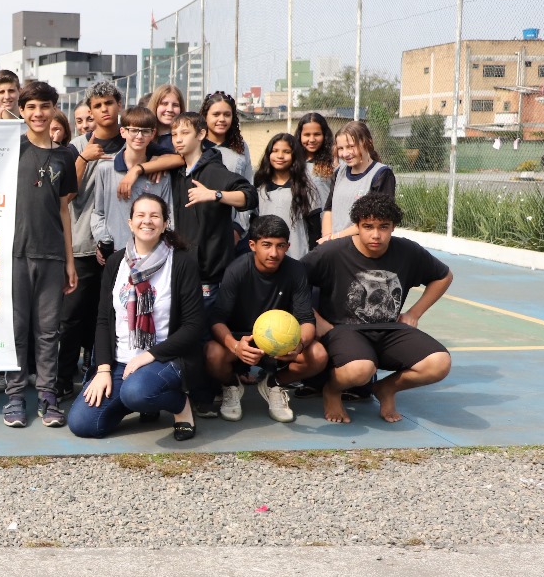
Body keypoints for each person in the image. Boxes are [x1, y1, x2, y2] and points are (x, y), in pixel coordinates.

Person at [302, 193, 453, 424]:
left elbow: (444, 276)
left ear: (393, 227)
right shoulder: (331, 252)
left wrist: (414, 313)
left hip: (390, 329)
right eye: (368, 226)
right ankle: (332, 390)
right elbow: (293, 282)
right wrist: (316, 319)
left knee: (439, 363)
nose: (376, 234)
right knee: (360, 370)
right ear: (357, 227)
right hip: (343, 330)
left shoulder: (407, 251)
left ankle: (386, 388)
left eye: (383, 227)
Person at [68, 194, 202, 441]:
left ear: (164, 224)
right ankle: (141, 400)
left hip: (165, 358)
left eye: (154, 216)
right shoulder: (116, 262)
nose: (147, 221)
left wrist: (148, 357)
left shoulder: (182, 263)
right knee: (83, 424)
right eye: (140, 215)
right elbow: (103, 320)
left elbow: (194, 327)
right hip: (120, 362)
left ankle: (179, 404)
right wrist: (103, 369)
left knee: (136, 391)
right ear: (130, 223)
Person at [167, 110, 259, 414]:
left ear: (201, 135)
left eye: (184, 133)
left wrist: (215, 195)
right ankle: (204, 393)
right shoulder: (183, 170)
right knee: (190, 336)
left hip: (209, 276)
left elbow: (249, 196)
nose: (178, 139)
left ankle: (215, 393)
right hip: (188, 272)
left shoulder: (212, 169)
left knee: (203, 339)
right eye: (174, 134)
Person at [4, 80, 78, 429]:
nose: (38, 113)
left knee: (48, 331)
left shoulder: (66, 155)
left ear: (53, 110)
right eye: (31, 107)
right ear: (21, 111)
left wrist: (70, 261)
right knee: (17, 329)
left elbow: (64, 211)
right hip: (14, 255)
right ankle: (15, 395)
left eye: (44, 106)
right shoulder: (9, 149)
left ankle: (47, 396)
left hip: (51, 255)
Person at [204, 215, 328, 423]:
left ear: (288, 246)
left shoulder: (296, 270)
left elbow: (307, 319)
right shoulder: (237, 270)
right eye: (267, 245)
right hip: (244, 340)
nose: (274, 253)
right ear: (253, 245)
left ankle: (274, 384)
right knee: (212, 354)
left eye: (280, 246)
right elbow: (217, 319)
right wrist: (235, 347)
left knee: (318, 355)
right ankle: (231, 385)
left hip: (280, 341)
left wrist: (299, 345)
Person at [60, 82, 125, 400]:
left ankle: (108, 375)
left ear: (119, 105)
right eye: (98, 105)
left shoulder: (131, 142)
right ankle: (61, 380)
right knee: (72, 318)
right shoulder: (76, 146)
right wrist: (84, 158)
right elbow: (66, 195)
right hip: (82, 246)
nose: (104, 110)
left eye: (109, 103)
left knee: (113, 316)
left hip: (121, 247)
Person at [92, 105, 167, 254]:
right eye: (133, 130)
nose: (139, 136)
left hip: (152, 253)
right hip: (115, 252)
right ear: (123, 131)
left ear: (153, 134)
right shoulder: (105, 168)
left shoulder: (160, 172)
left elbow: (168, 215)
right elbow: (98, 212)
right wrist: (104, 241)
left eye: (145, 131)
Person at [320, 120, 396, 243]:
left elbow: (374, 220)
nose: (345, 153)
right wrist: (328, 238)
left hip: (360, 249)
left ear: (368, 142)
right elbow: (329, 209)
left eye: (351, 147)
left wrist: (335, 238)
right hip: (335, 246)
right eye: (340, 148)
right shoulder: (339, 171)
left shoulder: (382, 174)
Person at [253, 133, 321, 259]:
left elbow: (315, 229)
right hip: (266, 258)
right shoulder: (259, 187)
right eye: (275, 151)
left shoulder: (305, 188)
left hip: (298, 257)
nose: (280, 156)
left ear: (294, 156)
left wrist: (312, 258)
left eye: (286, 151)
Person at [201, 91, 253, 245]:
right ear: (205, 116)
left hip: (234, 233)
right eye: (216, 114)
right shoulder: (196, 146)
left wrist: (237, 229)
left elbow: (248, 187)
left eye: (227, 114)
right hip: (202, 231)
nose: (221, 119)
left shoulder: (241, 148)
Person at [119, 84, 186, 200]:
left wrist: (149, 165)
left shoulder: (184, 138)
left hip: (176, 198)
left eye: (175, 105)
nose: (169, 109)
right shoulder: (142, 139)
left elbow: (182, 158)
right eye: (164, 104)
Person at [297, 112, 336, 234]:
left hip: (326, 225)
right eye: (307, 135)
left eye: (317, 134)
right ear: (299, 136)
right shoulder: (294, 162)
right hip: (299, 225)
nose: (312, 139)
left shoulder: (334, 162)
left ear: (324, 135)